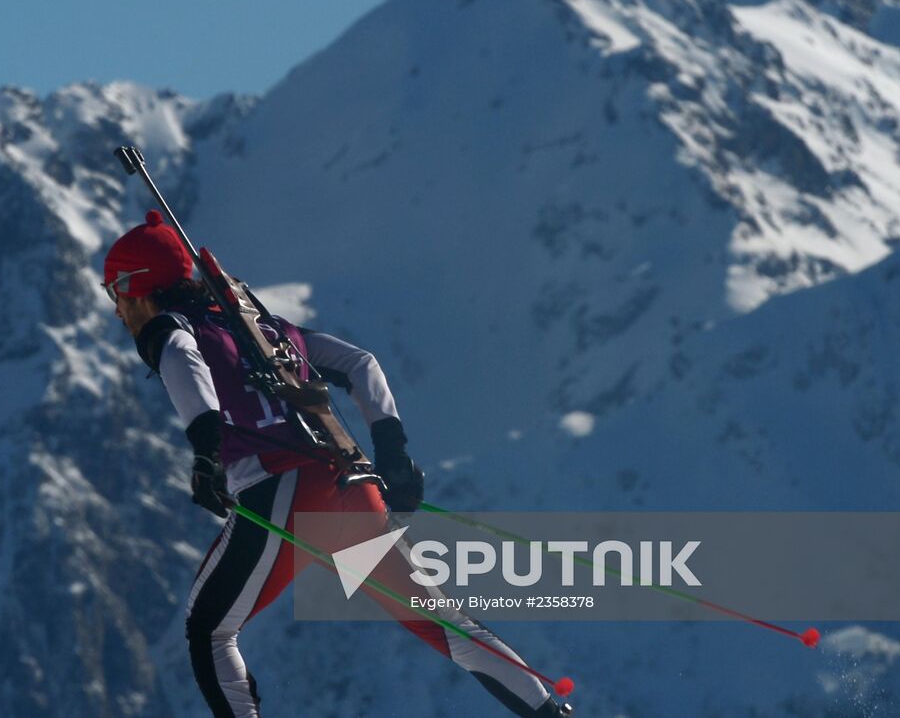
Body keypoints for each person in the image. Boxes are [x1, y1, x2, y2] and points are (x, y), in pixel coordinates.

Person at [103, 210, 570, 717]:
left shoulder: (169, 328)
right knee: (443, 623)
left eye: (115, 295)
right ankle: (547, 712)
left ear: (137, 290)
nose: (117, 312)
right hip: (350, 482)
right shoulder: (260, 327)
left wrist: (206, 452)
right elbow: (359, 363)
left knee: (209, 630)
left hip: (283, 490)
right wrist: (392, 451)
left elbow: (180, 356)